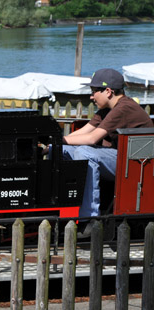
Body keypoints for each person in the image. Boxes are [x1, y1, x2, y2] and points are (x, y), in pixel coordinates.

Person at [62, 68, 153, 228]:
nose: (91, 97)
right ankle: (62, 208)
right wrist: (53, 144)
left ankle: (89, 219)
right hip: (121, 159)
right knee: (64, 150)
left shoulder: (124, 108)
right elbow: (83, 132)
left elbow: (92, 138)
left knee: (84, 152)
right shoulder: (106, 110)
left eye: (94, 91)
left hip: (135, 166)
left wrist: (60, 140)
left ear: (108, 91)